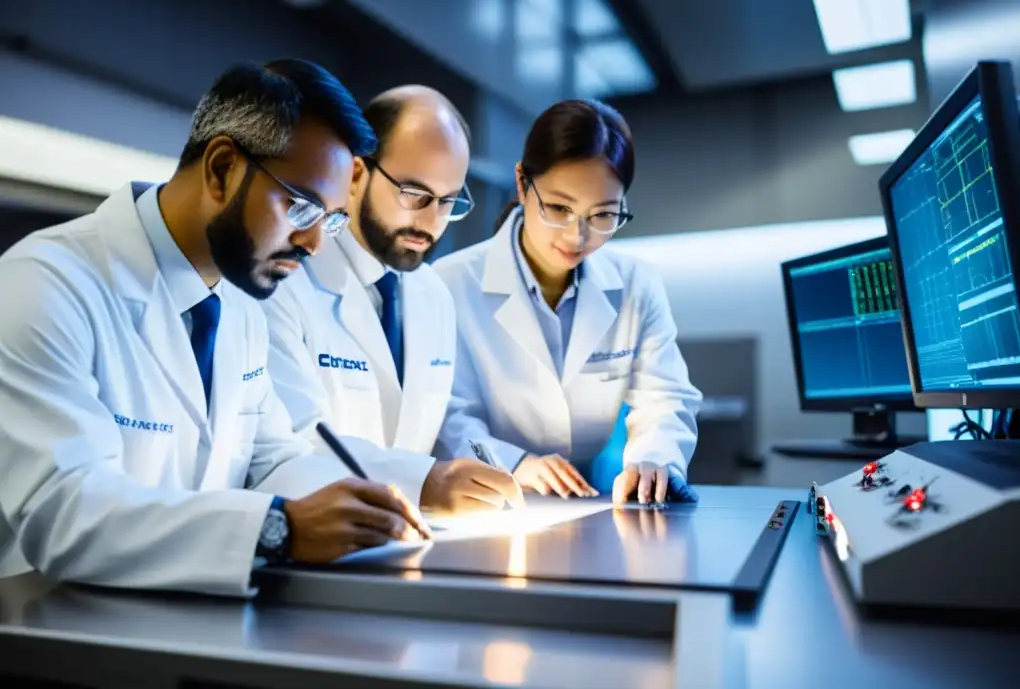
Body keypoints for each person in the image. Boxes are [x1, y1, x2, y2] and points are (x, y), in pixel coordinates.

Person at [0, 59, 437, 598]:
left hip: (182, 622)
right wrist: (280, 528)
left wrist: (363, 508)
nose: (315, 243)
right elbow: (63, 512)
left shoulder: (238, 303)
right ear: (222, 167)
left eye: (329, 218)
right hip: (46, 631)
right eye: (300, 208)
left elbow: (272, 459)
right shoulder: (43, 285)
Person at [263, 85, 522, 513]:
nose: (431, 221)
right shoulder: (285, 279)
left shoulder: (433, 295)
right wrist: (423, 482)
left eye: (448, 201)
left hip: (402, 541)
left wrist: (499, 466)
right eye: (414, 194)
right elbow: (287, 445)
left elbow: (433, 425)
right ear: (356, 174)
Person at [433, 99, 703, 505]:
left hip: (582, 500)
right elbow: (448, 413)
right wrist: (515, 463)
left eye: (603, 215)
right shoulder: (449, 283)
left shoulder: (636, 284)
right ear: (523, 184)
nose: (578, 237)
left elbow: (665, 397)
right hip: (485, 497)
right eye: (559, 208)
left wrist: (654, 458)